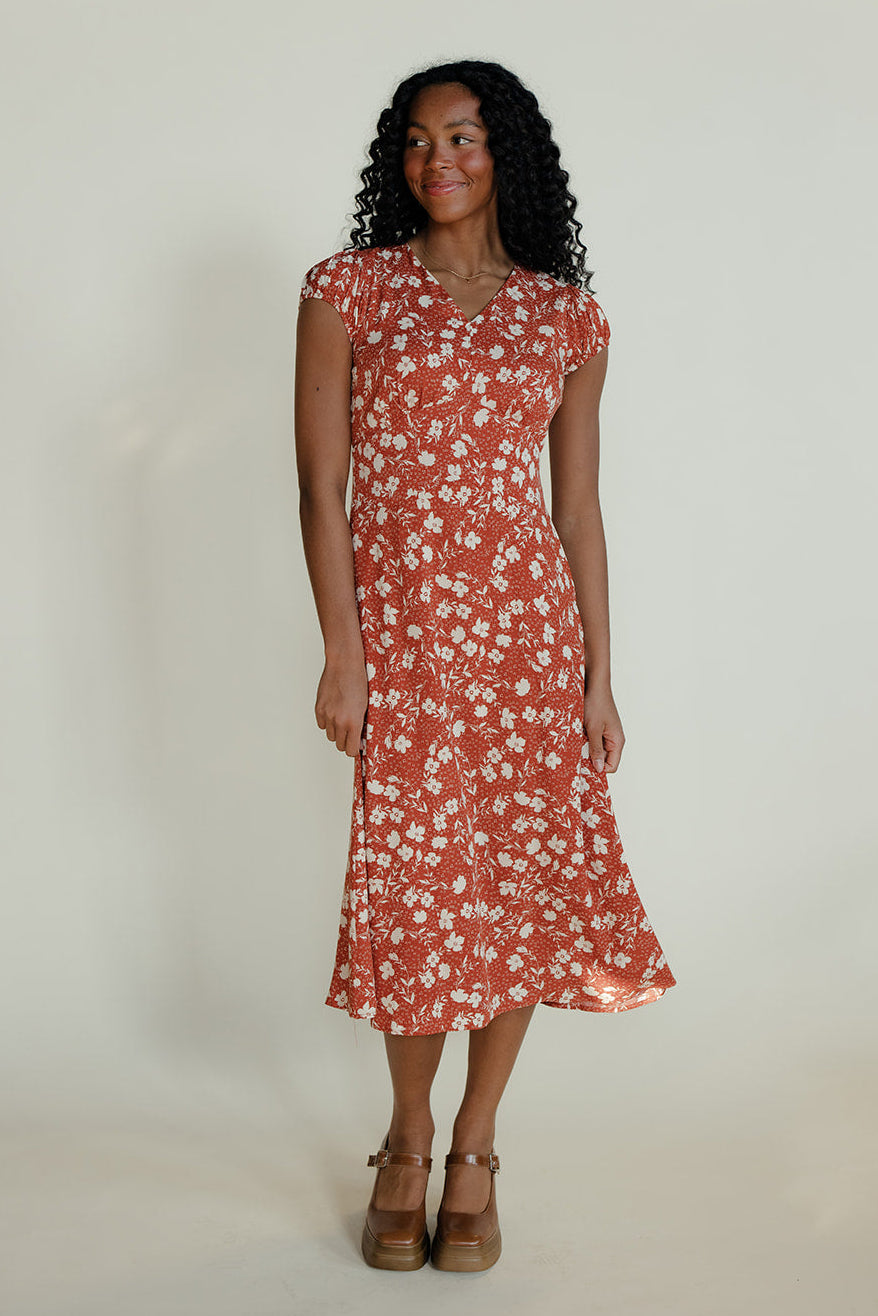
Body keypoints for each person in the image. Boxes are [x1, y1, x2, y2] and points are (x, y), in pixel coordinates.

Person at [294, 58, 677, 1273]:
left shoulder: (565, 317)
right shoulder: (348, 290)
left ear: (504, 149)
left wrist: (597, 675)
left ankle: (473, 1144)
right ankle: (403, 1136)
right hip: (405, 645)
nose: (435, 160)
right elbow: (319, 484)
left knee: (514, 891)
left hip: (524, 646)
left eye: (460, 136)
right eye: (414, 141)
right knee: (417, 896)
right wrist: (342, 650)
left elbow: (577, 512)